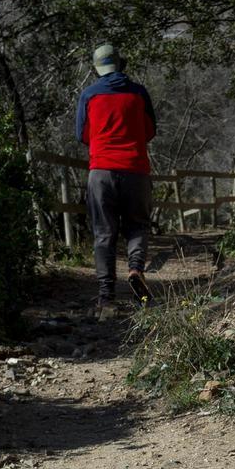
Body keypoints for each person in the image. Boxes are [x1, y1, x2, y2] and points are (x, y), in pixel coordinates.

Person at [75, 43, 156, 312]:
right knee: (137, 226)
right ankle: (135, 270)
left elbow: (82, 136)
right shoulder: (139, 94)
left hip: (101, 173)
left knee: (104, 233)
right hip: (135, 170)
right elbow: (149, 131)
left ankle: (106, 295)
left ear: (98, 69)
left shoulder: (89, 95)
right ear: (120, 64)